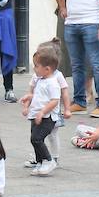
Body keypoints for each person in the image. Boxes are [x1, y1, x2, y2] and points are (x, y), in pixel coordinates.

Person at [22, 44, 63, 177]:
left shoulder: (52, 82)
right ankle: (40, 162)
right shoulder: (41, 80)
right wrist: (29, 98)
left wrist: (42, 112)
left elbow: (54, 100)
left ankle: (49, 160)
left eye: (36, 66)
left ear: (47, 69)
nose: (34, 69)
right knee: (33, 138)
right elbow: (39, 96)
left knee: (37, 139)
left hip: (47, 117)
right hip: (36, 115)